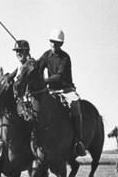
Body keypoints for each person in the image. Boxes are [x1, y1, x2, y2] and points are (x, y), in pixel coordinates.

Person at [37, 28, 86, 157]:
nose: (54, 44)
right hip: (51, 90)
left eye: (57, 42)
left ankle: (78, 142)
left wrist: (44, 80)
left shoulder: (65, 58)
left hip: (66, 90)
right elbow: (38, 67)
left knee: (75, 106)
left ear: (61, 44)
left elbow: (59, 76)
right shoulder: (46, 55)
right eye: (52, 42)